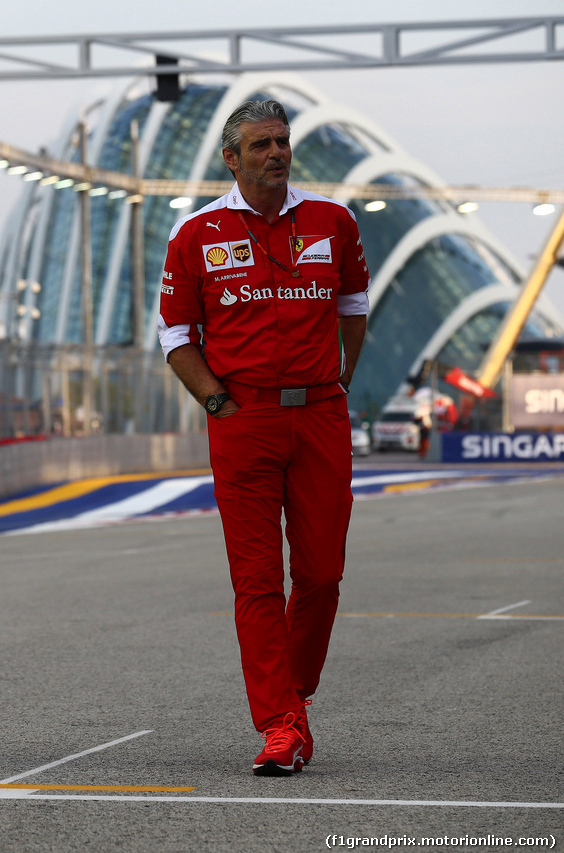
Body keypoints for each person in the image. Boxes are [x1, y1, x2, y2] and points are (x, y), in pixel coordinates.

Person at [157, 99, 370, 776]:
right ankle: (279, 723)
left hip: (320, 415)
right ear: (231, 158)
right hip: (242, 418)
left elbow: (354, 308)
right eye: (260, 145)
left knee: (321, 573)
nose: (276, 152)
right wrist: (217, 401)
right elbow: (174, 336)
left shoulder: (333, 221)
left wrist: (340, 378)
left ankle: (294, 693)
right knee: (255, 582)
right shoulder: (196, 233)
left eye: (281, 141)